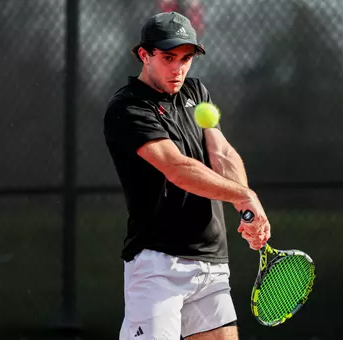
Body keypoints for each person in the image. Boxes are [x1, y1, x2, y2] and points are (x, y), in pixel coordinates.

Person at [103, 11, 271, 340]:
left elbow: (221, 152)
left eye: (186, 58)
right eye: (168, 58)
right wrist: (243, 195)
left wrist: (247, 208)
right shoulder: (128, 108)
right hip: (158, 265)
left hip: (211, 262)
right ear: (144, 54)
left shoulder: (197, 93)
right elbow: (177, 168)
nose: (178, 68)